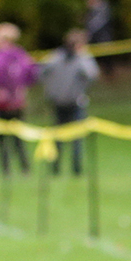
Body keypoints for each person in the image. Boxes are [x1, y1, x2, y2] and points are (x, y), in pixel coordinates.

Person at [40, 29, 99, 176]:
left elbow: (41, 72)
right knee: (66, 137)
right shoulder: (70, 58)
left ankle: (71, 168)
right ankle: (61, 167)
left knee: (71, 138)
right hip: (68, 103)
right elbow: (92, 74)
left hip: (68, 102)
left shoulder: (54, 57)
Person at [0, 23, 38, 176]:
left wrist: (21, 88)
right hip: (3, 103)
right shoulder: (17, 55)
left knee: (16, 138)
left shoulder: (7, 56)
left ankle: (22, 168)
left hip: (13, 103)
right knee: (3, 139)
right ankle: (8, 169)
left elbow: (30, 73)